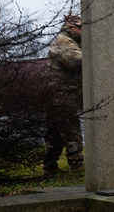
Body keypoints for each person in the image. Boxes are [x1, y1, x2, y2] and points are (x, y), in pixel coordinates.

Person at [43, 14, 84, 175]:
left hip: (59, 94)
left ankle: (49, 166)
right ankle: (76, 164)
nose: (83, 31)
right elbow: (78, 61)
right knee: (70, 129)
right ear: (71, 27)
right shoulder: (63, 42)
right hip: (60, 95)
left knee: (55, 134)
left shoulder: (71, 41)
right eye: (80, 27)